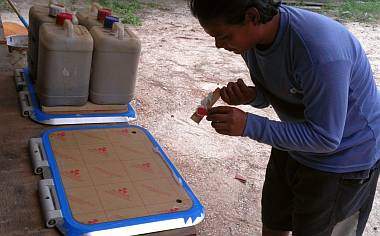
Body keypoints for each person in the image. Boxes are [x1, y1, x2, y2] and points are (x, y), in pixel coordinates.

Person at [189, 0, 380, 235]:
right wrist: (252, 96)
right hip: (294, 141)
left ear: (253, 17)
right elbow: (286, 88)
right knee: (274, 223)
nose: (219, 45)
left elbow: (326, 138)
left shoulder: (318, 51)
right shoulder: (253, 41)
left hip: (344, 158)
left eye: (224, 36)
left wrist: (248, 124)